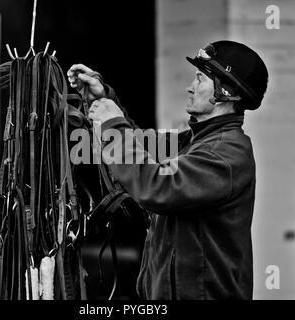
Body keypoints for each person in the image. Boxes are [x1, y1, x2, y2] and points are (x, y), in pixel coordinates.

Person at [67, 40, 268, 300]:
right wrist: (104, 100)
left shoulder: (225, 154)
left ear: (227, 92)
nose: (190, 86)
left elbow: (156, 185)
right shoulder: (195, 142)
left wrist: (113, 125)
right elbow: (141, 148)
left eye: (200, 79)